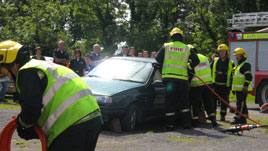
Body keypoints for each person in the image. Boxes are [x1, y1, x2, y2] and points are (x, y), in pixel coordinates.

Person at [0, 40, 101, 151]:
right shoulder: (42, 66)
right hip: (93, 117)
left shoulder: (26, 71)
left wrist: (22, 123)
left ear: (13, 64)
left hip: (71, 123)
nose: (9, 78)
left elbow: (31, 109)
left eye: (5, 73)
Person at [155, 27, 199, 130]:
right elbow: (196, 60)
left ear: (172, 37)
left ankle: (170, 125)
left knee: (170, 102)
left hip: (169, 79)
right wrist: (188, 66)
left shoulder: (166, 46)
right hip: (182, 79)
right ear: (181, 37)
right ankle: (187, 124)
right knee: (184, 102)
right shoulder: (187, 48)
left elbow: (157, 58)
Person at [187, 45, 217, 127]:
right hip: (208, 83)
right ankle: (213, 119)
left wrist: (188, 82)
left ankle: (195, 120)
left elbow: (191, 73)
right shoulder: (204, 57)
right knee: (209, 102)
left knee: (195, 104)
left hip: (196, 84)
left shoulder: (190, 59)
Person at [211, 44, 234, 121]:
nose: (221, 53)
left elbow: (232, 75)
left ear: (226, 52)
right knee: (213, 101)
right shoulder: (215, 60)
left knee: (224, 102)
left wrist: (231, 86)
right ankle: (213, 115)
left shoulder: (230, 62)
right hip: (216, 85)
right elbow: (210, 70)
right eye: (220, 51)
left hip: (225, 86)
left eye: (223, 51)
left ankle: (222, 116)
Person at [231, 48, 252, 124]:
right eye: (236, 56)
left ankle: (237, 118)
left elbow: (249, 77)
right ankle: (244, 118)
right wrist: (233, 88)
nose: (237, 57)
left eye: (238, 56)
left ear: (243, 56)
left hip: (242, 89)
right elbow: (235, 78)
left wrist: (245, 86)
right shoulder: (238, 66)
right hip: (238, 89)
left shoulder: (245, 65)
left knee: (240, 104)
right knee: (243, 104)